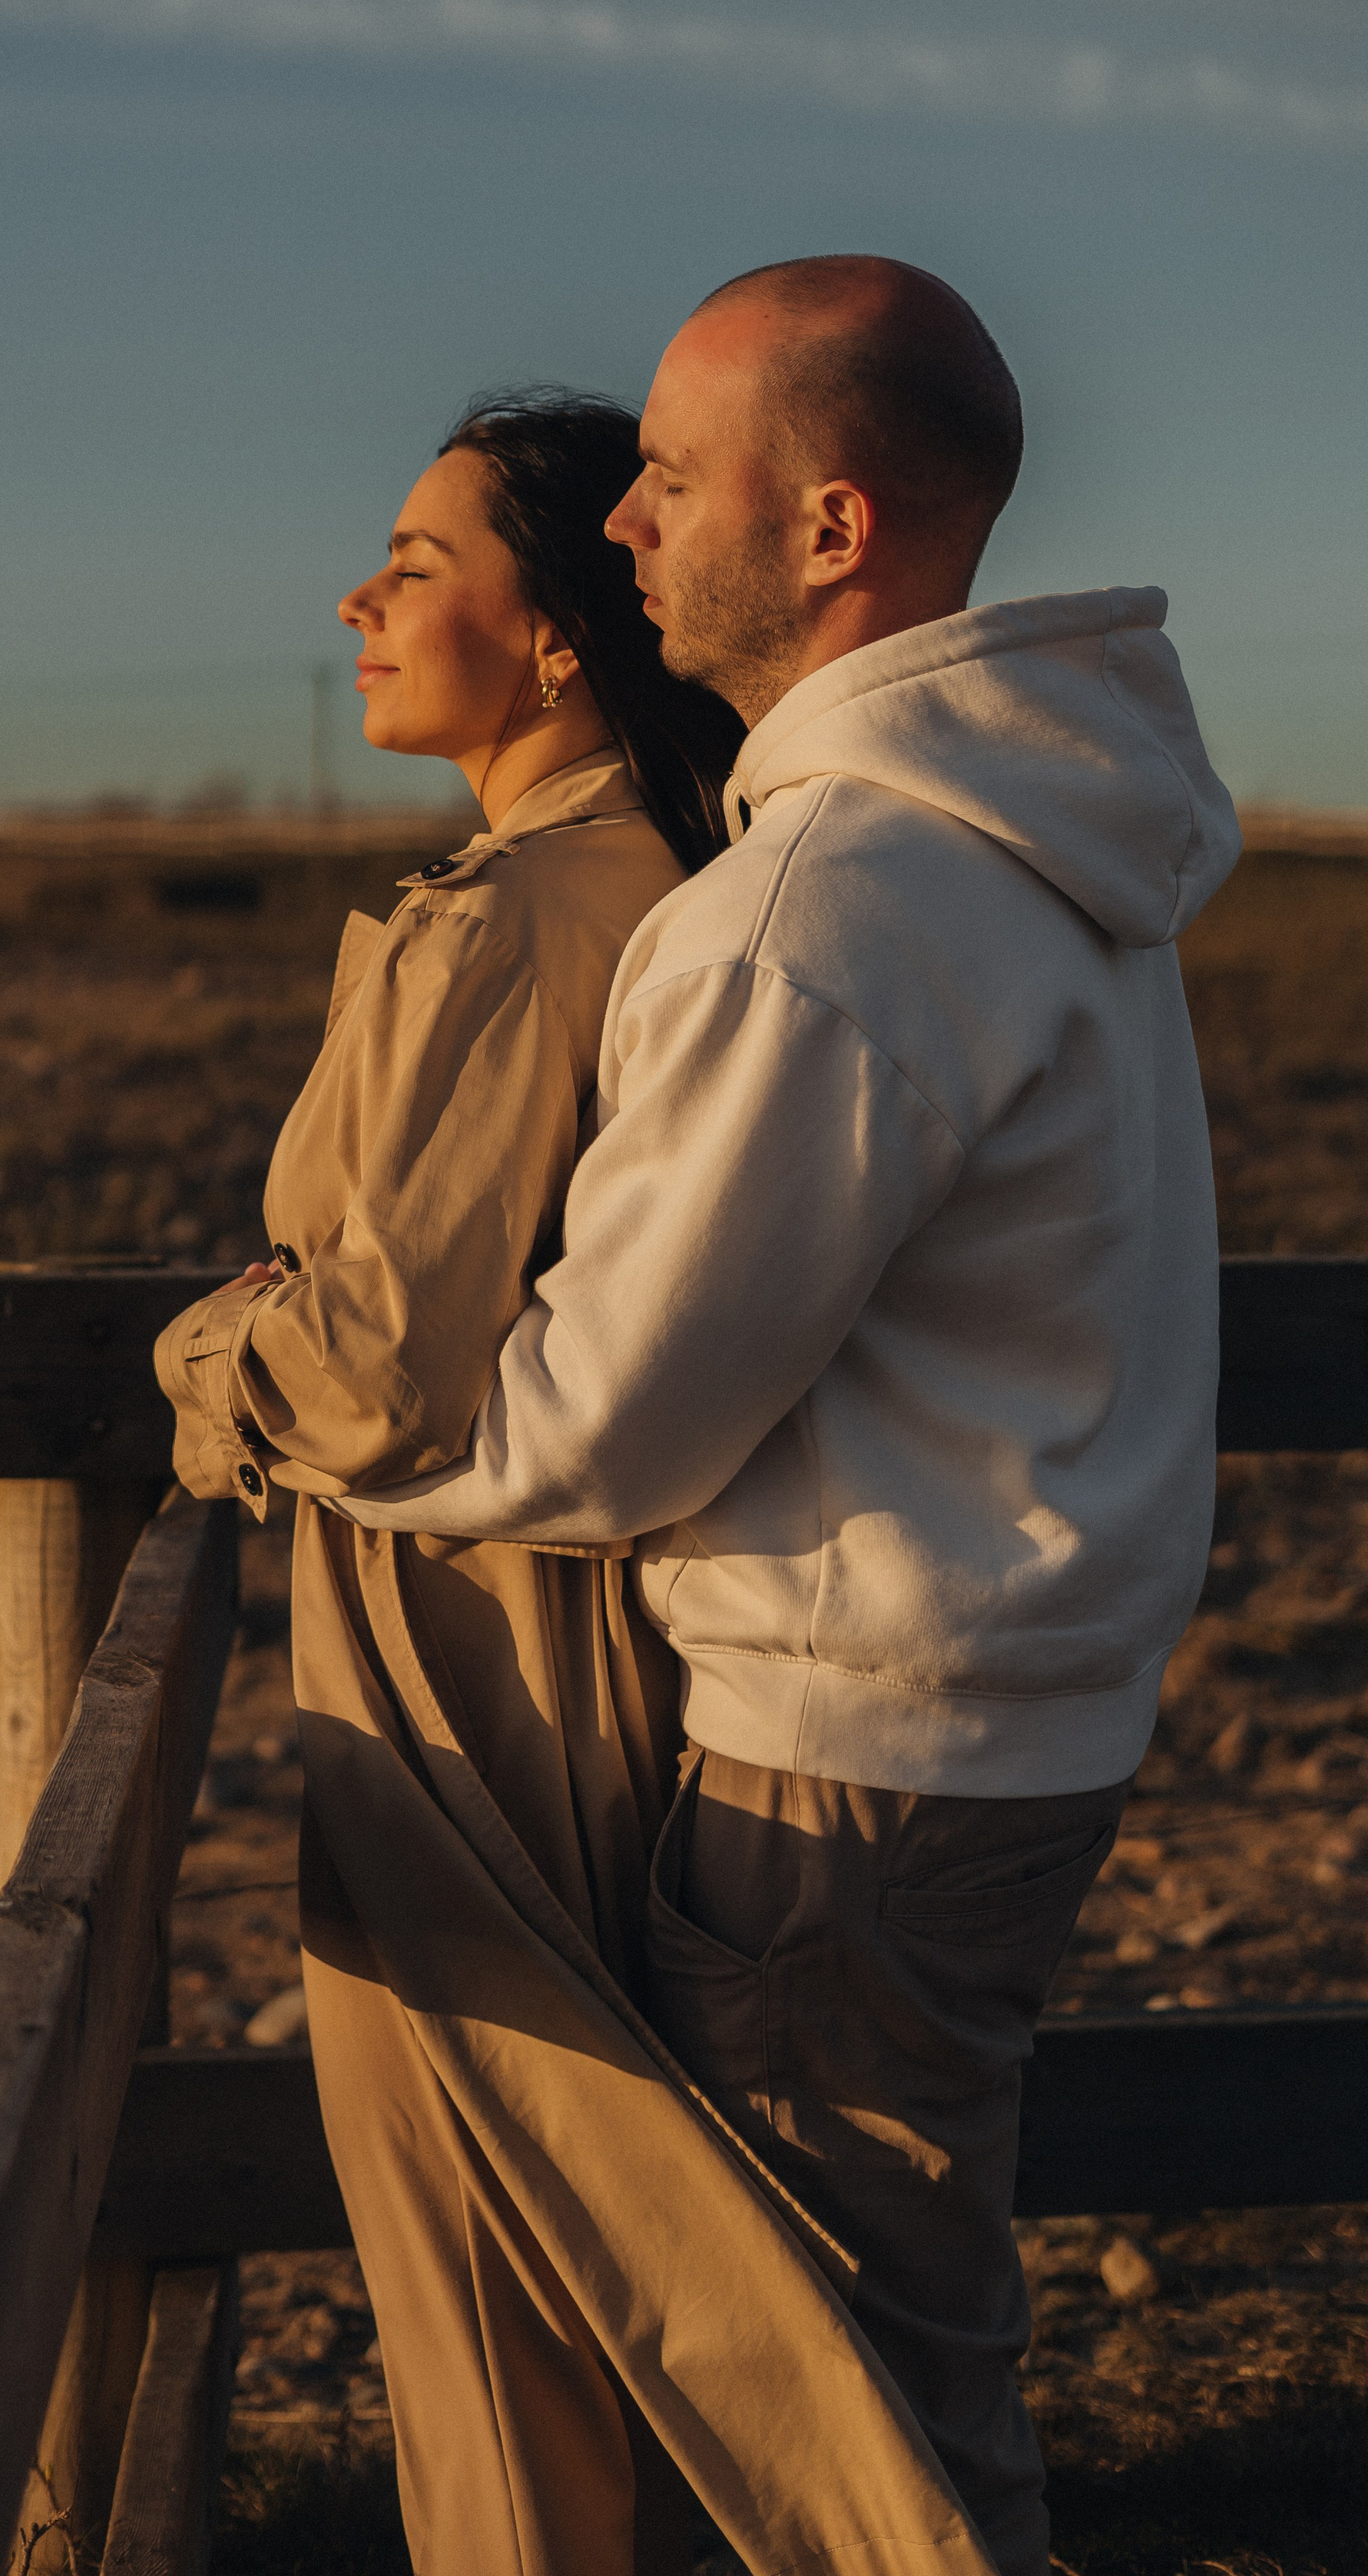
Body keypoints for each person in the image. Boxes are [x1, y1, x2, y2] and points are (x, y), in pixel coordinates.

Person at [334, 258, 1243, 2576]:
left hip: (853, 1775)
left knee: (853, 2421)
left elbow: (597, 1427)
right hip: (1000, 1722)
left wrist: (299, 1405)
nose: (622, 529)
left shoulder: (825, 906)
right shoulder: (1041, 848)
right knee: (895, 2344)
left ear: (830, 528)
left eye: (664, 475)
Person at [157, 392, 1005, 2576]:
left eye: (419, 565)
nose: (360, 600)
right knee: (614, 2268)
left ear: (554, 641)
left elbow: (366, 1376)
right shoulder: (682, 871)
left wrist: (205, 1349)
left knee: (493, 2295)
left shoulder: (505, 919)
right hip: (627, 1660)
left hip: (456, 1685)